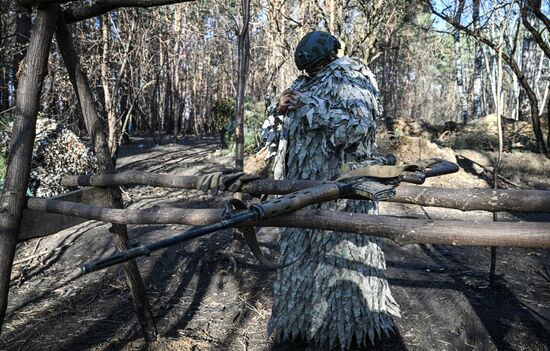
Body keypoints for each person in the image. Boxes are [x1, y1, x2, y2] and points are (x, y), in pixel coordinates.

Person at [263, 31, 400, 350]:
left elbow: (357, 129)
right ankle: (300, 327)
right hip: (298, 195)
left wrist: (311, 107)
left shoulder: (351, 73)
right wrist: (277, 110)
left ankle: (346, 333)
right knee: (300, 268)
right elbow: (270, 138)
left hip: (340, 197)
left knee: (341, 265)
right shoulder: (300, 84)